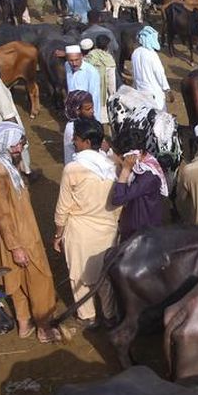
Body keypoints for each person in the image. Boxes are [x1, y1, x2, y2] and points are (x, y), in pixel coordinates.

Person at [0, 123, 61, 343]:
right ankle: (44, 327)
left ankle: (24, 323)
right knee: (40, 279)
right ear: (3, 145)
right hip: (20, 236)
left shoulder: (3, 164)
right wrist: (16, 247)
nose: (19, 148)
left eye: (20, 143)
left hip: (14, 234)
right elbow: (1, 213)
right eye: (15, 145)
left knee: (17, 281)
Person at [53, 118, 120, 325]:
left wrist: (58, 234)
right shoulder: (113, 167)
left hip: (80, 231)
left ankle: (88, 316)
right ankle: (109, 314)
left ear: (87, 142)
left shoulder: (73, 168)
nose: (74, 141)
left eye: (77, 139)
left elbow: (63, 207)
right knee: (105, 276)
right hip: (108, 229)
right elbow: (119, 204)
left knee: (80, 277)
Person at [111, 131, 167, 240]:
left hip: (143, 237)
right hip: (136, 233)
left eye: (123, 159)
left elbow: (118, 199)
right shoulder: (139, 171)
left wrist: (125, 170)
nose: (121, 163)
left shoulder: (147, 176)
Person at [131, 26, 174, 110]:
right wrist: (167, 89)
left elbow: (134, 72)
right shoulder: (152, 55)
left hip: (140, 90)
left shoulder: (135, 52)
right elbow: (159, 73)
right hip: (154, 93)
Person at [83, 36, 117, 125]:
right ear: (107, 47)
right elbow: (111, 83)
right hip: (102, 94)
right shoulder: (109, 59)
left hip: (88, 92)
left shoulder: (88, 57)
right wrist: (113, 96)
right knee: (102, 118)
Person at [61, 90, 96, 163]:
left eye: (92, 108)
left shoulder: (89, 121)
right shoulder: (72, 128)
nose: (92, 111)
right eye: (88, 109)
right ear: (77, 110)